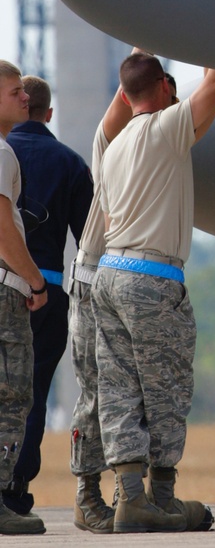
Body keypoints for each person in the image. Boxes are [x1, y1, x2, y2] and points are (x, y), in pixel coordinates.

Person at [92, 54, 215, 533]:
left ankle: (129, 498)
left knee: (119, 391)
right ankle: (163, 500)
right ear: (165, 88)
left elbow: (110, 223)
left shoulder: (113, 147)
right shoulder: (167, 128)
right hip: (152, 279)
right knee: (166, 391)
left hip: (109, 272)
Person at [2, 77, 93, 521]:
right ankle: (15, 490)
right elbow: (89, 241)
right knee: (30, 392)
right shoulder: (71, 163)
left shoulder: (4, 150)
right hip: (46, 292)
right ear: (49, 113)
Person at [66, 58, 146, 533]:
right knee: (96, 392)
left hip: (133, 280)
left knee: (133, 393)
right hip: (95, 275)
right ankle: (87, 494)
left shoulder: (165, 150)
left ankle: (129, 495)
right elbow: (124, 93)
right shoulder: (112, 144)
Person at [0, 62, 49, 536]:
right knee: (12, 394)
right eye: (15, 92)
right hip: (4, 289)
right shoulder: (1, 152)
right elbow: (1, 228)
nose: (24, 99)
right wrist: (35, 281)